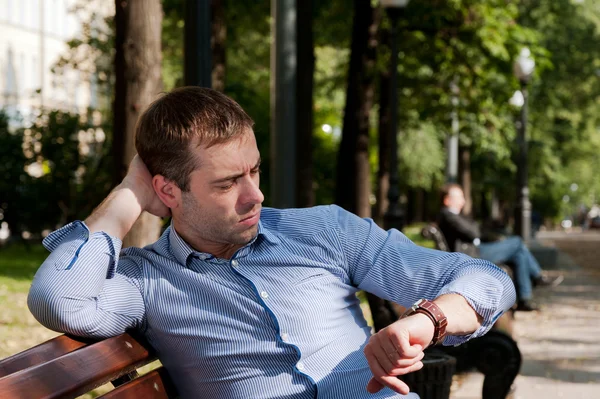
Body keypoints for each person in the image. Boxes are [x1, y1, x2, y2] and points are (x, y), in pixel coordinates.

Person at [28, 87, 515, 399]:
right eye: (226, 184)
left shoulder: (322, 231)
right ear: (167, 191)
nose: (254, 194)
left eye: (255, 171)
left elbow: (488, 280)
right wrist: (126, 197)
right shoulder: (146, 280)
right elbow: (58, 297)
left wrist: (427, 321)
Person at [438, 183, 563, 312]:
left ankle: (525, 299)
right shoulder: (448, 215)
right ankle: (537, 276)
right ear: (447, 200)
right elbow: (474, 232)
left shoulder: (454, 216)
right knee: (517, 243)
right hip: (471, 256)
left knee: (519, 253)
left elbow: (476, 230)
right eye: (459, 197)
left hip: (474, 251)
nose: (463, 201)